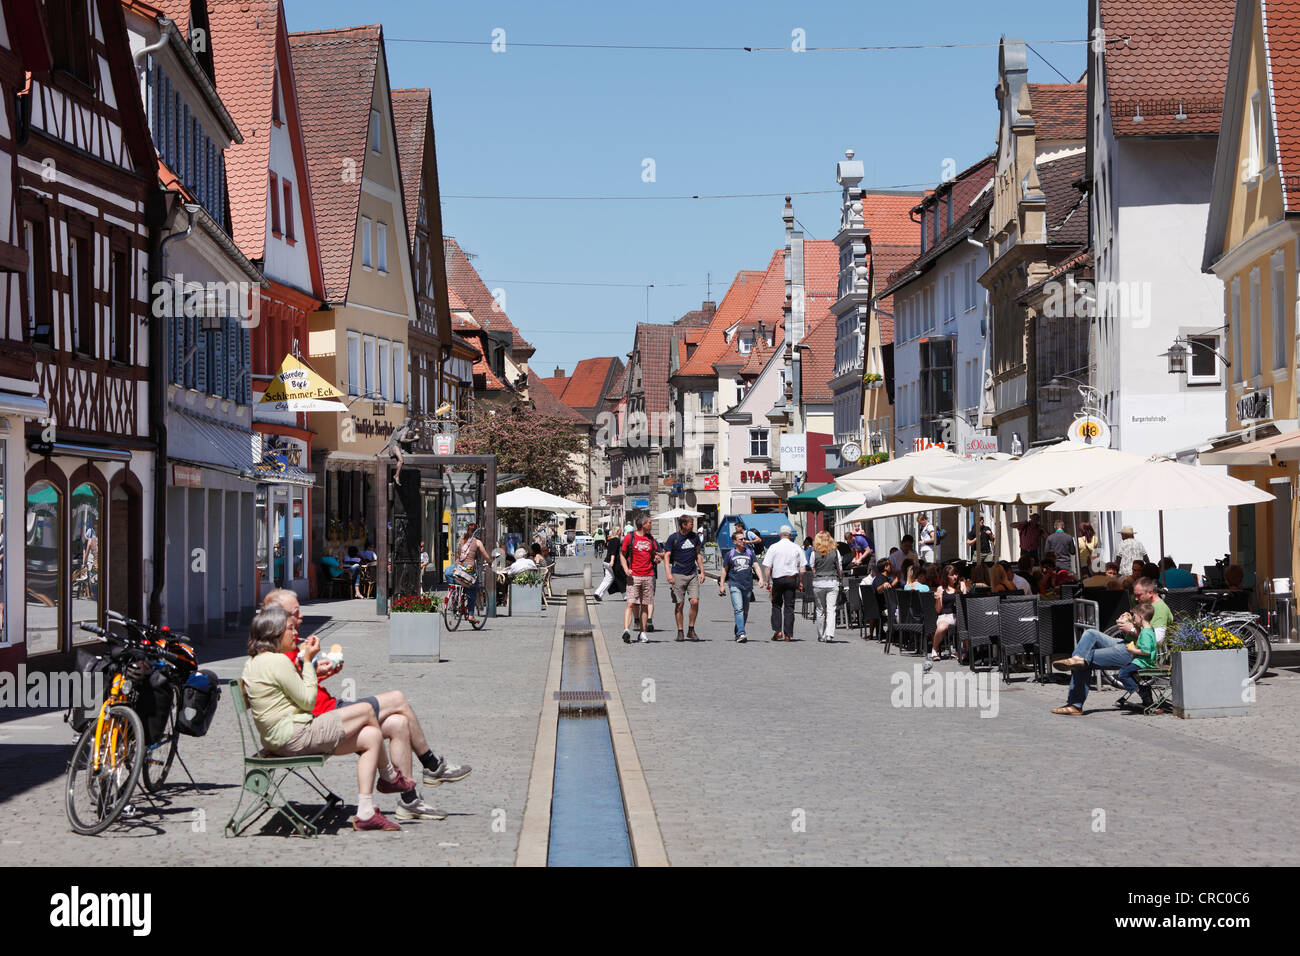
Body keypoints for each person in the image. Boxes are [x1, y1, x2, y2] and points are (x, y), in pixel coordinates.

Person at [262, 591, 468, 817]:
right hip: (325, 719)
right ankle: (431, 765)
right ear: (278, 617)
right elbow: (298, 695)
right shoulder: (277, 654)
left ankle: (410, 800)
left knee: (399, 723)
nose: (301, 617)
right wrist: (309, 662)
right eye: (295, 613)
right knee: (398, 698)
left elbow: (298, 686)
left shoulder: (288, 645)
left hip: (330, 710)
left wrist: (319, 670)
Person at [243, 607, 396, 829]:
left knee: (371, 735)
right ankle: (390, 776)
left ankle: (365, 812)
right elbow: (307, 700)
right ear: (274, 632)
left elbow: (292, 694)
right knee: (366, 710)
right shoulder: (277, 662)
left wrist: (312, 669)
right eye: (290, 628)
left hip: (278, 737)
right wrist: (307, 660)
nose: (296, 633)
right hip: (294, 737)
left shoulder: (254, 662)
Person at [1052, 602, 1157, 714]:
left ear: (1149, 592)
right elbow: (1140, 629)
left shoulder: (1159, 610)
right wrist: (1129, 621)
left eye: (1139, 595)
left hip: (1134, 653)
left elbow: (1154, 640)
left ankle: (1075, 705)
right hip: (1126, 643)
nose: (1136, 598)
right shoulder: (1143, 607)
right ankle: (1077, 658)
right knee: (1090, 634)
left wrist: (1132, 629)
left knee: (1087, 658)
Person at [662, 515, 706, 642]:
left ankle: (691, 629)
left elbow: (698, 554)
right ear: (683, 525)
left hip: (692, 573)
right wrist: (668, 574)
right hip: (678, 573)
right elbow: (666, 556)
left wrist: (702, 571)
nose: (693, 525)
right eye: (691, 523)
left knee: (694, 602)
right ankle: (680, 631)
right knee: (679, 604)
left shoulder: (694, 537)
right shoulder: (673, 538)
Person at [619, 514, 657, 644]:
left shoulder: (650, 539)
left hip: (648, 575)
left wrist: (658, 558)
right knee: (630, 603)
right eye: (650, 523)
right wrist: (626, 569)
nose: (651, 525)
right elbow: (622, 555)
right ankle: (626, 630)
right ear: (643, 524)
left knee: (645, 605)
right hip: (634, 576)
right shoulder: (630, 537)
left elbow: (655, 555)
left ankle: (642, 632)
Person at [762, 525, 804, 641]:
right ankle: (788, 634)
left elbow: (767, 567)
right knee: (789, 607)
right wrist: (800, 581)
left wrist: (767, 581)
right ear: (790, 535)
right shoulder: (796, 547)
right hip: (791, 578)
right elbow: (802, 568)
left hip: (778, 579)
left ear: (780, 535)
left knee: (776, 604)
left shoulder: (773, 547)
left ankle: (777, 631)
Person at [719, 530, 761, 642]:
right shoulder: (730, 554)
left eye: (744, 539)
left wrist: (761, 578)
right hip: (734, 584)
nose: (744, 541)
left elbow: (756, 566)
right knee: (739, 609)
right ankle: (742, 633)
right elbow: (724, 570)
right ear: (735, 542)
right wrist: (722, 585)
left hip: (747, 585)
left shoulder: (749, 552)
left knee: (745, 611)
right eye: (741, 539)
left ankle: (738, 629)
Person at [809, 531, 843, 643]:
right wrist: (840, 580)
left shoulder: (814, 553)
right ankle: (829, 634)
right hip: (832, 582)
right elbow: (840, 569)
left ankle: (820, 634)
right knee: (831, 609)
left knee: (820, 610)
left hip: (818, 583)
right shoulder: (835, 552)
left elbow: (813, 569)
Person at [454, 525, 491, 627]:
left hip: (458, 569)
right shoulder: (477, 542)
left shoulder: (461, 540)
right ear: (477, 532)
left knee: (458, 583)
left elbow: (458, 554)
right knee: (473, 590)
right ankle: (471, 615)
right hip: (468, 571)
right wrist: (490, 562)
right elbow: (485, 555)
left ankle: (456, 599)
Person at [931, 564, 966, 661]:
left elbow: (965, 604)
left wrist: (963, 590)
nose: (955, 577)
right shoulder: (941, 589)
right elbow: (938, 610)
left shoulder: (960, 587)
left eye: (956, 574)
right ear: (946, 576)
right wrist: (938, 599)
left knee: (967, 626)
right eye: (952, 575)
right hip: (945, 616)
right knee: (942, 627)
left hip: (959, 616)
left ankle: (964, 651)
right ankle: (935, 648)